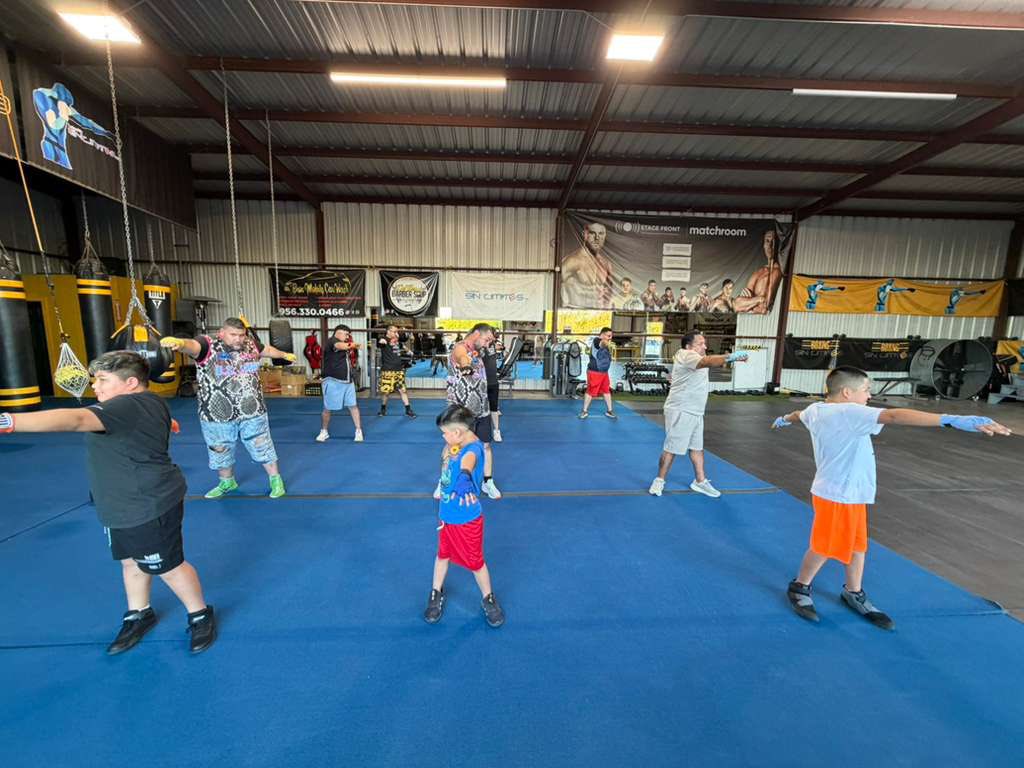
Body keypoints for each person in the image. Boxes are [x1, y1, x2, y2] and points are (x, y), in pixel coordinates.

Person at [0, 351, 217, 655]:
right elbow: (143, 419)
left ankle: (200, 614)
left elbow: (76, 419)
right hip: (117, 500)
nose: (96, 388)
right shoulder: (144, 402)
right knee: (130, 560)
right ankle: (139, 613)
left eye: (103, 381)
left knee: (168, 566)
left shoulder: (125, 405)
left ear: (130, 383)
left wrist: (8, 420)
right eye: (95, 381)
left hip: (146, 502)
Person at [771, 366, 1011, 630]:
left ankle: (854, 591)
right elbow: (895, 416)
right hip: (837, 494)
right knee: (825, 546)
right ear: (848, 392)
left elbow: (798, 414)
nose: (869, 396)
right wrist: (950, 419)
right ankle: (799, 586)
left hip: (851, 492)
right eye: (866, 390)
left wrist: (784, 418)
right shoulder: (850, 411)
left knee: (857, 545)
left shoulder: (816, 409)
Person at [160, 318, 293, 499]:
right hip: (217, 413)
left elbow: (267, 350)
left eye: (241, 335)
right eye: (233, 335)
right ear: (221, 333)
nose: (238, 339)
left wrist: (283, 355)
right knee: (220, 448)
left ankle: (275, 480)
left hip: (252, 410)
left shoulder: (250, 344)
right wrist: (181, 343)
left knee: (262, 445)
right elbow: (192, 346)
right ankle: (227, 482)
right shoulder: (208, 345)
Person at [423, 404, 505, 628]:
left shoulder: (473, 449)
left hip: (467, 520)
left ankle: (488, 598)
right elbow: (448, 454)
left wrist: (465, 477)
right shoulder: (455, 443)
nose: (443, 437)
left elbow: (468, 461)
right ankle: (436, 591)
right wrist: (448, 450)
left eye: (445, 433)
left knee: (476, 562)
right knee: (442, 555)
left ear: (458, 432)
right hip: (446, 515)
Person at [648, 332, 747, 499]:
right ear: (689, 346)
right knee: (672, 448)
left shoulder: (697, 358)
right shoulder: (686, 355)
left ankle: (700, 482)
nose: (705, 347)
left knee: (697, 448)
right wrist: (731, 356)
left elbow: (707, 361)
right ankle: (659, 480)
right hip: (681, 409)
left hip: (696, 411)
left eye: (705, 343)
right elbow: (708, 361)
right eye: (700, 343)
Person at [443, 323, 501, 499]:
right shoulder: (459, 348)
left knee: (485, 445)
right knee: (453, 446)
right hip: (460, 409)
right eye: (486, 339)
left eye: (490, 341)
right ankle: (444, 482)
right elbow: (462, 357)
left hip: (481, 407)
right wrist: (465, 364)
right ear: (476, 334)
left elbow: (487, 351)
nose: (487, 344)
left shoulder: (481, 350)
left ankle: (487, 482)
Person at [32, 82, 113, 170]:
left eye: (67, 105)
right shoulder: (45, 100)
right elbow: (54, 124)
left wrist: (107, 133)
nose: (66, 107)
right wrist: (62, 111)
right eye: (64, 103)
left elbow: (87, 123)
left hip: (61, 149)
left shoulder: (67, 109)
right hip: (49, 144)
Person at [317, 324, 363, 442]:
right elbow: (340, 345)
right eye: (346, 334)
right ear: (339, 332)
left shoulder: (343, 343)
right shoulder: (332, 341)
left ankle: (358, 430)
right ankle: (324, 431)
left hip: (347, 381)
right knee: (327, 408)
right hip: (333, 381)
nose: (347, 337)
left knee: (353, 406)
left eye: (348, 335)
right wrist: (354, 345)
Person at [561, 221, 614, 309]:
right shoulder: (573, 261)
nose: (597, 238)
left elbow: (610, 292)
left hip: (599, 314)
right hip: (576, 314)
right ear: (585, 235)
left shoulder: (606, 264)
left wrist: (607, 309)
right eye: (592, 233)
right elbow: (555, 286)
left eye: (601, 234)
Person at [733, 229, 784, 314]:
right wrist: (759, 299)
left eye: (773, 242)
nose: (770, 245)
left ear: (778, 246)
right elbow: (737, 305)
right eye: (767, 241)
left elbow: (764, 308)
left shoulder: (780, 272)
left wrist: (749, 304)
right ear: (763, 245)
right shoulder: (758, 273)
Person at [377, 325, 416, 418]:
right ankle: (383, 409)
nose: (396, 333)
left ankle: (408, 410)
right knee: (386, 393)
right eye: (394, 332)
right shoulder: (384, 339)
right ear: (389, 331)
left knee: (403, 390)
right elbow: (381, 343)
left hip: (399, 370)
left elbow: (403, 346)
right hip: (388, 370)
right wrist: (382, 342)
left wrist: (410, 352)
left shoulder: (397, 341)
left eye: (397, 332)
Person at [579, 326, 617, 420]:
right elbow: (603, 343)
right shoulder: (597, 341)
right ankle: (584, 411)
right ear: (603, 335)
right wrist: (608, 344)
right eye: (608, 336)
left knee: (606, 391)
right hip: (594, 372)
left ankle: (609, 411)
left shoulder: (606, 342)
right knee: (590, 392)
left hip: (604, 372)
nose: (610, 338)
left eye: (611, 336)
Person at [483, 336, 503, 443]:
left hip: (493, 382)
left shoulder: (494, 346)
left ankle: (496, 431)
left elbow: (502, 347)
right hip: (481, 383)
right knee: (481, 409)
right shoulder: (478, 349)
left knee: (494, 408)